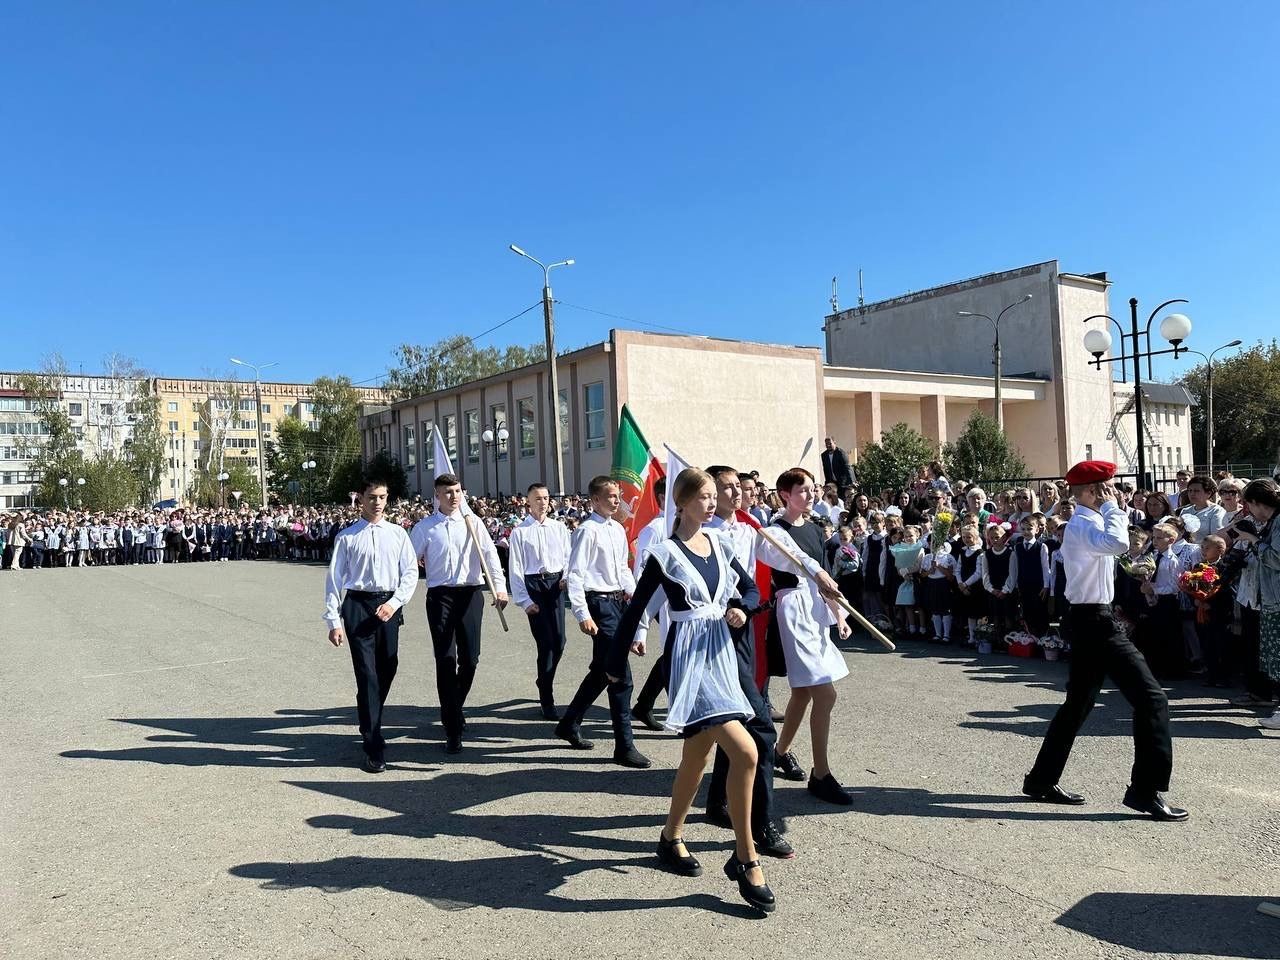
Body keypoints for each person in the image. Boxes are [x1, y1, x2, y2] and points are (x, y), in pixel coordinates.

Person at [606, 467, 775, 912]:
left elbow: (752, 589)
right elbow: (636, 609)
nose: (711, 501)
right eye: (702, 495)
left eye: (711, 495)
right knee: (746, 752)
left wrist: (742, 608)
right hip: (688, 664)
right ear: (680, 503)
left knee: (696, 757)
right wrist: (613, 665)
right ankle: (746, 857)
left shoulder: (719, 544)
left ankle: (669, 836)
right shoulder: (664, 554)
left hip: (721, 655)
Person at [1024, 460, 1188, 822]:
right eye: (1108, 487)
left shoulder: (1089, 522)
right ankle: (1146, 790)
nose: (1114, 492)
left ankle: (1041, 780)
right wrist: (1113, 506)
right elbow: (1117, 543)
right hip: (1093, 621)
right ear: (1093, 490)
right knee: (1152, 699)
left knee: (1077, 705)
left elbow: (1117, 546)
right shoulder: (1083, 523)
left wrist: (1112, 509)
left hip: (1091, 618)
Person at [756, 466, 855, 806]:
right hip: (793, 610)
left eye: (812, 489)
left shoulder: (815, 530)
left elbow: (824, 578)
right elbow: (797, 563)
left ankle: (779, 752)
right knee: (824, 694)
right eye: (803, 490)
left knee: (802, 692)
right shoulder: (773, 532)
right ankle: (821, 774)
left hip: (815, 609)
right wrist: (818, 575)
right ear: (785, 494)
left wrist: (838, 615)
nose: (810, 495)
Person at [322, 476, 420, 773]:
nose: (377, 503)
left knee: (387, 666)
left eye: (382, 497)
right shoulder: (348, 537)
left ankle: (368, 711)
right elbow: (334, 580)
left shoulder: (398, 534)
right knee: (367, 674)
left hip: (388, 605)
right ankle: (373, 743)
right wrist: (333, 620)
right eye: (372, 497)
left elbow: (411, 573)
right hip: (357, 607)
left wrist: (394, 603)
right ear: (360, 499)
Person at [410, 473, 510, 755]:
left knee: (471, 659)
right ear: (437, 496)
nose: (454, 496)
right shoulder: (426, 528)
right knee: (446, 659)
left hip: (470, 594)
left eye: (457, 491)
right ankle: (452, 728)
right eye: (448, 492)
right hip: (441, 596)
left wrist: (500, 589)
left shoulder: (473, 522)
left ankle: (452, 706)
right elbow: (407, 563)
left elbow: (490, 555)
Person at [556, 475, 651, 768]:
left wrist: (636, 597)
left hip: (617, 602)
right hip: (598, 604)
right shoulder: (586, 531)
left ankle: (569, 722)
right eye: (610, 495)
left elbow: (622, 569)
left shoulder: (617, 530)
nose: (616, 500)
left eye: (617, 495)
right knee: (620, 677)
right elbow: (576, 574)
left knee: (602, 671)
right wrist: (582, 613)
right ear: (595, 500)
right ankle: (624, 746)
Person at [506, 482, 572, 721]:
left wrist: (566, 578)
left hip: (555, 585)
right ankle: (547, 696)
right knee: (545, 643)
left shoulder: (559, 527)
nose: (543, 502)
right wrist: (524, 600)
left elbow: (569, 557)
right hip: (535, 586)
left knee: (560, 642)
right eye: (537, 498)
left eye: (545, 498)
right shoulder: (520, 532)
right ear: (528, 502)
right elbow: (515, 568)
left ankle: (544, 678)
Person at [1227, 479, 1280, 729]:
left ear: (1258, 503)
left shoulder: (1278, 521)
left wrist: (1252, 539)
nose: (1248, 510)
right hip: (1269, 597)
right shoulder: (1273, 522)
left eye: (1249, 504)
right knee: (1272, 656)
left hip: (1276, 598)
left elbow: (1276, 558)